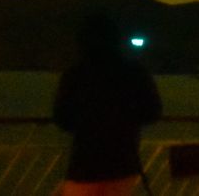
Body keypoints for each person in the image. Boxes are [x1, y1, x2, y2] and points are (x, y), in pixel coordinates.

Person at [52, 13, 163, 196]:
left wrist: (88, 122)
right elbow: (152, 112)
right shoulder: (134, 73)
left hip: (85, 163)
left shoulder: (75, 74)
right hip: (123, 161)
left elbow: (62, 118)